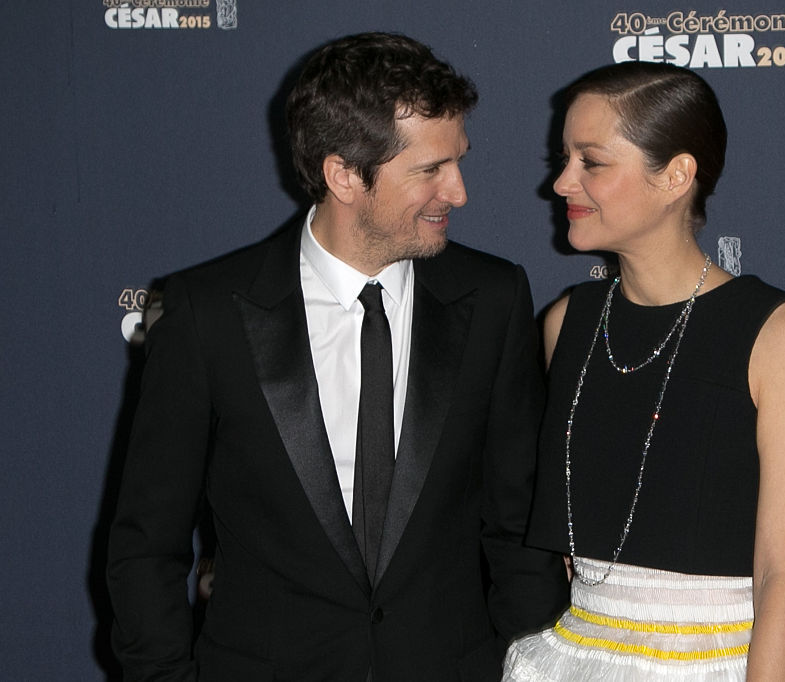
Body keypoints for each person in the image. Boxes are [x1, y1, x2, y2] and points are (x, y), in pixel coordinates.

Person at [107, 32, 568, 681]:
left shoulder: (492, 298)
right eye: (430, 169)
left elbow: (519, 530)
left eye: (457, 160)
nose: (458, 192)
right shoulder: (208, 312)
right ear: (344, 174)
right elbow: (146, 545)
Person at [503, 62, 785, 680]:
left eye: (591, 161)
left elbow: (782, 577)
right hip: (577, 656)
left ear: (677, 175)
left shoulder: (777, 335)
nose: (563, 182)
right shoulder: (566, 323)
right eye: (563, 158)